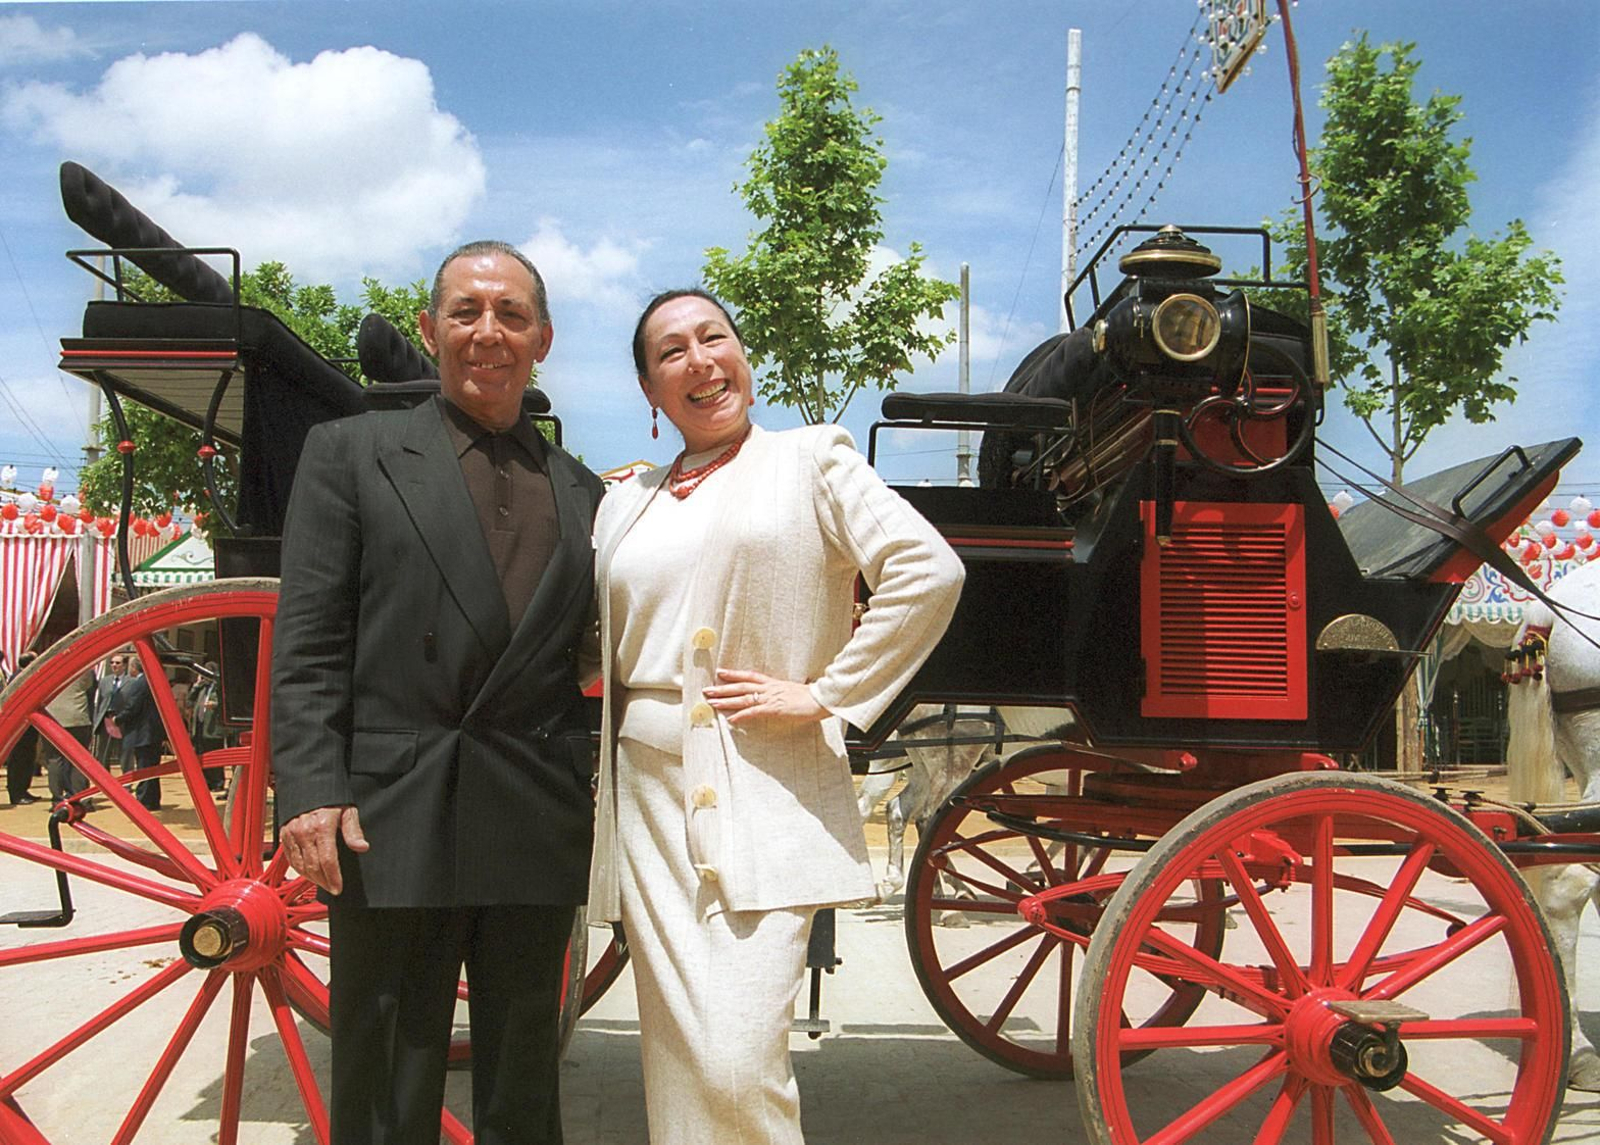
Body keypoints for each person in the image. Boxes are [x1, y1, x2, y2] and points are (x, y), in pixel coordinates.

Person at [588, 289, 965, 1144]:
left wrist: (831, 692)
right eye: (671, 352)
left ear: (745, 357)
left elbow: (928, 569)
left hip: (765, 784)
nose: (699, 360)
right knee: (679, 1051)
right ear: (650, 391)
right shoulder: (626, 500)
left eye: (713, 337)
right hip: (647, 799)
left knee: (735, 1054)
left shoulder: (812, 459)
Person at [271, 240, 605, 1145]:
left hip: (533, 803)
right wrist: (308, 786)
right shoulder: (351, 451)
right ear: (431, 328)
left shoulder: (582, 490)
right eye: (465, 312)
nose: (486, 332)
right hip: (393, 803)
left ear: (542, 337)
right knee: (387, 1069)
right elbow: (307, 639)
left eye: (509, 315)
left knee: (527, 1072)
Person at [110, 657, 165, 811]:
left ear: (134, 668)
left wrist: (117, 719)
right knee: (153, 768)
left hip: (142, 733)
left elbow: (133, 707)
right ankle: (153, 800)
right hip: (153, 732)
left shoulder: (139, 684)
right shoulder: (154, 681)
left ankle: (144, 801)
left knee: (144, 768)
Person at [43, 667, 96, 803]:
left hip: (51, 717)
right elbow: (88, 685)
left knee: (54, 760)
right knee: (78, 759)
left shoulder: (47, 668)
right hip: (76, 716)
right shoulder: (83, 667)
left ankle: (57, 799)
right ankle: (80, 797)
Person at [5, 651, 42, 805]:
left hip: (27, 729)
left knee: (27, 759)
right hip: (19, 729)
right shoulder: (18, 679)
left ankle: (23, 790)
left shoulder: (23, 677)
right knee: (18, 761)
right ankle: (16, 793)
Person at [90, 652, 129, 766]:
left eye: (117, 663)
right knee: (104, 752)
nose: (114, 665)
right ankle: (103, 776)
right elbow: (100, 702)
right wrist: (96, 720)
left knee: (124, 752)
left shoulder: (131, 682)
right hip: (106, 719)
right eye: (112, 663)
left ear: (124, 665)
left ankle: (126, 781)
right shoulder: (104, 681)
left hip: (122, 720)